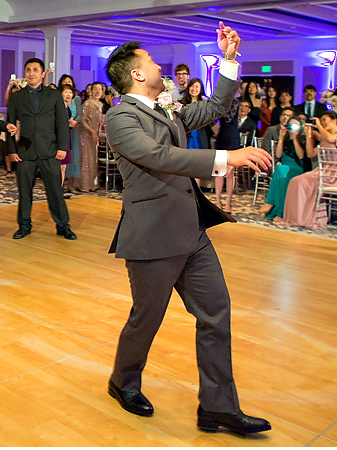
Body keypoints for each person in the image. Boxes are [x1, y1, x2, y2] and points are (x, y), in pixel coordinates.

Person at [102, 24, 273, 434]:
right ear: (137, 74)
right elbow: (158, 155)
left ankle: (217, 406)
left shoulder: (167, 105)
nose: (159, 64)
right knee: (147, 319)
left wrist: (228, 60)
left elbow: (214, 107)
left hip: (192, 231)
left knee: (216, 314)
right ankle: (122, 381)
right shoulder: (120, 117)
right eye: (152, 61)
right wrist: (227, 157)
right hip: (152, 235)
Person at [6, 58, 76, 240]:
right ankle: (24, 225)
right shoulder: (16, 96)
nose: (31, 73)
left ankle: (63, 226)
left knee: (55, 191)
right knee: (24, 192)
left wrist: (63, 148)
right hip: (25, 152)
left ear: (42, 74)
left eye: (35, 70)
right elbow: (10, 125)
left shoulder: (53, 95)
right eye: (28, 70)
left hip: (50, 151)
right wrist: (12, 150)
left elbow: (61, 123)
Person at [276, 112, 337, 229]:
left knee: (303, 182)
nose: (323, 123)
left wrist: (318, 126)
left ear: (334, 120)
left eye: (325, 120)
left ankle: (305, 217)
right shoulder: (323, 137)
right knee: (296, 181)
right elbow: (310, 154)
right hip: (322, 171)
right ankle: (296, 217)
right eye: (321, 120)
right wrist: (309, 136)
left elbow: (330, 138)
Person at [260, 117, 311, 219]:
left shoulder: (303, 138)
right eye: (290, 125)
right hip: (284, 167)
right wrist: (281, 138)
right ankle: (280, 212)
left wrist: (295, 139)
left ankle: (270, 203)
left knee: (280, 170)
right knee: (281, 174)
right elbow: (278, 155)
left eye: (295, 125)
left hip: (297, 167)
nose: (292, 128)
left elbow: (301, 156)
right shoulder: (285, 138)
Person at [213, 99, 245, 213]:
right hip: (222, 136)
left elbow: (233, 118)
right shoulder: (220, 101)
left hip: (233, 137)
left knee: (230, 172)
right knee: (218, 171)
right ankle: (218, 201)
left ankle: (228, 202)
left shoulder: (236, 102)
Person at [58, 74, 82, 191]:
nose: (68, 95)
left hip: (67, 139)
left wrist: (71, 123)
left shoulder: (68, 108)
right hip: (59, 140)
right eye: (66, 92)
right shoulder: (58, 107)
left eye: (70, 92)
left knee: (63, 167)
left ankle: (60, 190)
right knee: (59, 167)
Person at [78, 82, 104, 191]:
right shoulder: (87, 104)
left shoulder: (101, 105)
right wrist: (92, 131)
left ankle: (92, 184)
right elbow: (82, 120)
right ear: (91, 91)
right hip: (85, 134)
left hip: (95, 135)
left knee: (93, 159)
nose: (97, 92)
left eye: (100, 89)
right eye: (95, 89)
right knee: (85, 159)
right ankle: (84, 185)